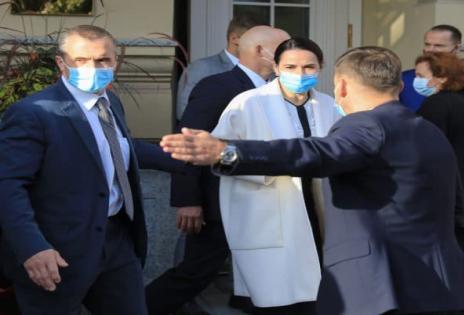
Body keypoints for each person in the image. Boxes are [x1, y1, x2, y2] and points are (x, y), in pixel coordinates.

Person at [161, 46, 464, 315]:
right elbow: (455, 200)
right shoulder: (427, 129)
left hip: (378, 287)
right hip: (442, 281)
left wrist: (227, 152)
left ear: (341, 85)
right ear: (400, 87)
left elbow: (317, 153)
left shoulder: (364, 126)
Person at [0, 25, 186, 315]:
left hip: (116, 242)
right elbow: (7, 185)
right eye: (81, 61)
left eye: (102, 60)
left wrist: (186, 156)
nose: (93, 68)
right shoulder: (34, 113)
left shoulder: (111, 102)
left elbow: (117, 147)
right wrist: (32, 248)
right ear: (62, 64)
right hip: (55, 252)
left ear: (116, 62)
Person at [145, 25, 290, 315]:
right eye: (284, 47)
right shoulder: (218, 86)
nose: (290, 53)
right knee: (197, 271)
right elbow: (188, 141)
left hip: (262, 200)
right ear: (261, 51)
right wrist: (188, 200)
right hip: (219, 199)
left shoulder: (277, 90)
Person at [210, 37, 340, 314]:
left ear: (321, 67)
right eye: (291, 66)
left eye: (309, 67)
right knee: (275, 296)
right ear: (276, 67)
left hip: (318, 207)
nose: (300, 74)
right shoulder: (247, 103)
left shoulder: (329, 105)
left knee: (318, 293)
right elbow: (219, 155)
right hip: (269, 207)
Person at [414, 52, 464, 313]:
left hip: (446, 194)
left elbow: (423, 152)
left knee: (444, 260)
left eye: (421, 76)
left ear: (442, 78)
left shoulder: (435, 106)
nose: (416, 80)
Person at [399, 24, 464, 195]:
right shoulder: (405, 79)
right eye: (427, 44)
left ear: (457, 48)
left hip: (459, 169)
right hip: (411, 166)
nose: (430, 50)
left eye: (439, 46)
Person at [175, 15, 259, 121]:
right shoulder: (203, 67)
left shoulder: (265, 71)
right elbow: (185, 112)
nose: (260, 46)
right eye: (255, 40)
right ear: (235, 39)